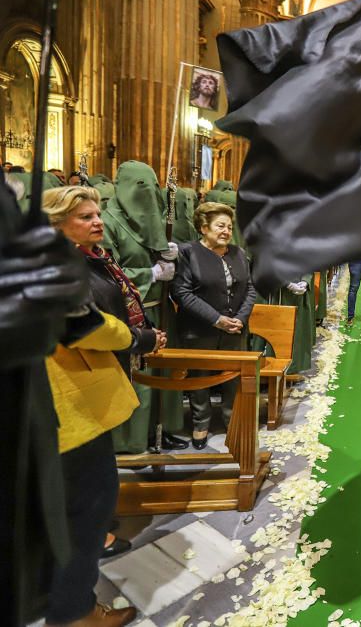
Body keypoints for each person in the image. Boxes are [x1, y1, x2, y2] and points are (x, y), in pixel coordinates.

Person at [42, 185, 172, 556]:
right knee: (85, 468)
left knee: (93, 462)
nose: (98, 221)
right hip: (67, 382)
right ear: (57, 223)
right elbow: (88, 325)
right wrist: (138, 338)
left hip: (84, 374)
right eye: (85, 217)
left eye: (97, 214)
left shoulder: (85, 256)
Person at [0, 180, 93, 627]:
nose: (98, 223)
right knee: (79, 501)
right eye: (86, 217)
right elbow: (78, 325)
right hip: (59, 391)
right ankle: (72, 609)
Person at [44, 306, 140, 627]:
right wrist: (127, 334)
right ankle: (76, 613)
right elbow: (80, 323)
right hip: (60, 407)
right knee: (85, 511)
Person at [101, 161, 186, 454]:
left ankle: (162, 427)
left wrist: (174, 255)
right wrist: (150, 273)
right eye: (140, 186)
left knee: (163, 372)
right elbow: (106, 271)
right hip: (131, 313)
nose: (147, 193)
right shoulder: (108, 221)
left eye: (151, 186)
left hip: (159, 308)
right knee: (139, 377)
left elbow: (167, 259)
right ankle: (133, 437)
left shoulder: (157, 218)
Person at [172, 202, 256, 449]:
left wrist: (240, 318)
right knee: (200, 378)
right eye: (220, 226)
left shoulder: (239, 253)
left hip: (235, 328)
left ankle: (232, 422)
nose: (226, 231)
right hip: (200, 329)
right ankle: (201, 424)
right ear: (203, 227)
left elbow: (249, 288)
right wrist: (216, 319)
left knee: (233, 378)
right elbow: (182, 293)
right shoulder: (189, 253)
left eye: (229, 227)